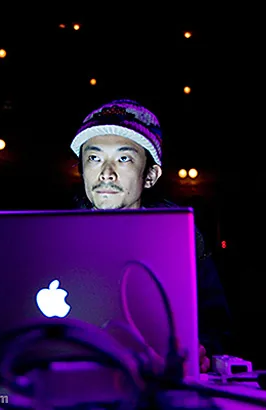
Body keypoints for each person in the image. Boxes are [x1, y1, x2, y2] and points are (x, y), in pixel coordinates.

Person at [69, 98, 232, 373]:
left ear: (150, 175)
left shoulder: (182, 238)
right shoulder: (52, 236)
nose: (106, 174)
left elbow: (218, 327)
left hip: (157, 382)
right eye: (94, 158)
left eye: (124, 159)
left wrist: (203, 350)